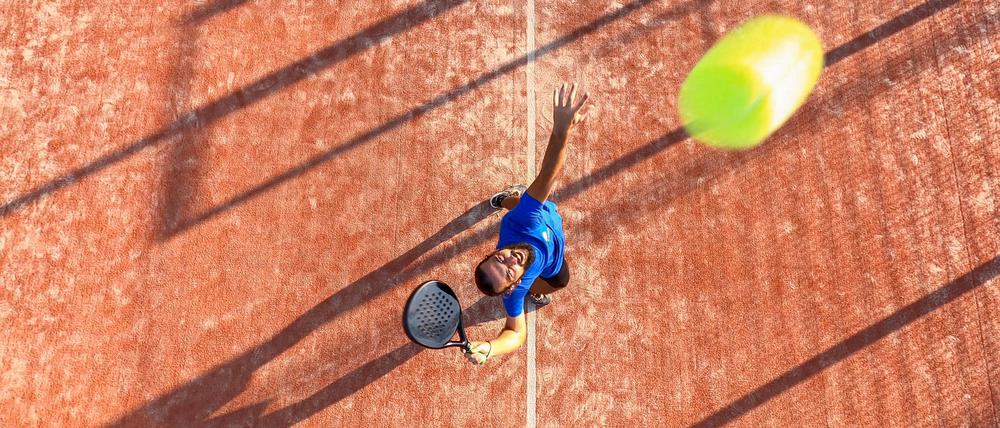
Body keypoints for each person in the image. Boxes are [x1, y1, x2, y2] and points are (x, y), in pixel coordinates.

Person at [465, 82, 589, 365]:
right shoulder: (516, 292)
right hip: (552, 260)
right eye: (509, 273)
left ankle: (509, 197)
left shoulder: (522, 226)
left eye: (500, 257)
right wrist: (490, 348)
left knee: (519, 206)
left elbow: (549, 175)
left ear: (494, 252)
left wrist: (561, 130)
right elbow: (514, 332)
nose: (511, 261)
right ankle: (515, 198)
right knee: (560, 282)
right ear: (513, 286)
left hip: (536, 217)